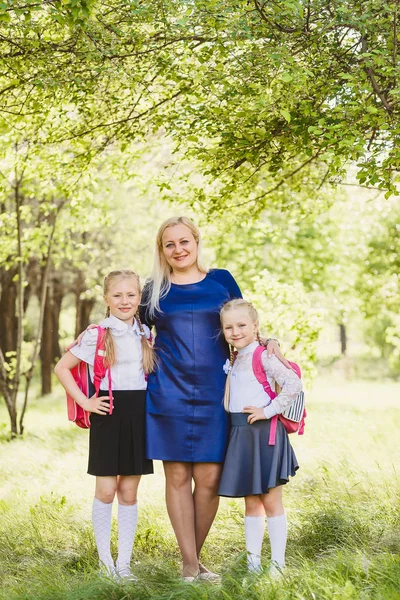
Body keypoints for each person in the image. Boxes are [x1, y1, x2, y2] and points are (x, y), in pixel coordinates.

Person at [139, 216, 290, 580]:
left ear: (196, 241)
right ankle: (190, 565)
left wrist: (267, 341)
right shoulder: (152, 289)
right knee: (176, 476)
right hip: (169, 391)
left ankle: (194, 558)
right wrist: (91, 343)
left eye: (184, 241)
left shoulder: (221, 280)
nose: (178, 249)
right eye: (169, 244)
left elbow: (243, 321)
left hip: (217, 393)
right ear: (162, 249)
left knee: (209, 479)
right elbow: (130, 327)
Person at [54, 269, 155, 579]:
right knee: (107, 489)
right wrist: (85, 402)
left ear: (139, 298)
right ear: (106, 299)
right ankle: (104, 562)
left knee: (129, 492)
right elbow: (62, 368)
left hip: (139, 414)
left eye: (131, 295)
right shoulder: (97, 334)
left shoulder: (146, 333)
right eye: (117, 295)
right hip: (108, 412)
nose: (124, 301)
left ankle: (124, 564)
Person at [218, 298, 302, 576]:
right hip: (241, 434)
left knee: (271, 500)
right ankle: (253, 565)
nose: (235, 331)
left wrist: (269, 410)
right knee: (251, 501)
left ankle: (278, 566)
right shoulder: (234, 358)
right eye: (228, 327)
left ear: (255, 327)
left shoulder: (262, 355)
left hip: (264, 432)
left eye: (242, 325)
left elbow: (294, 383)